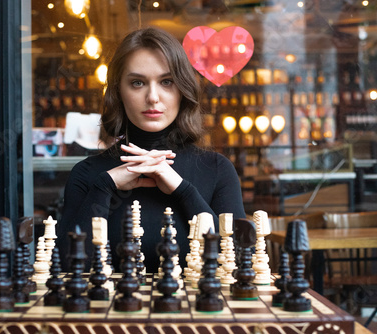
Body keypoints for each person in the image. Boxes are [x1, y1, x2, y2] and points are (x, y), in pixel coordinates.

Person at [59, 27, 246, 272]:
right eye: (137, 83)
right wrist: (104, 187)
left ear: (182, 90)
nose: (153, 97)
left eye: (167, 82)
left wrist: (184, 191)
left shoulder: (216, 169)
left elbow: (240, 263)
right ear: (118, 93)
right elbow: (64, 267)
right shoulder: (87, 174)